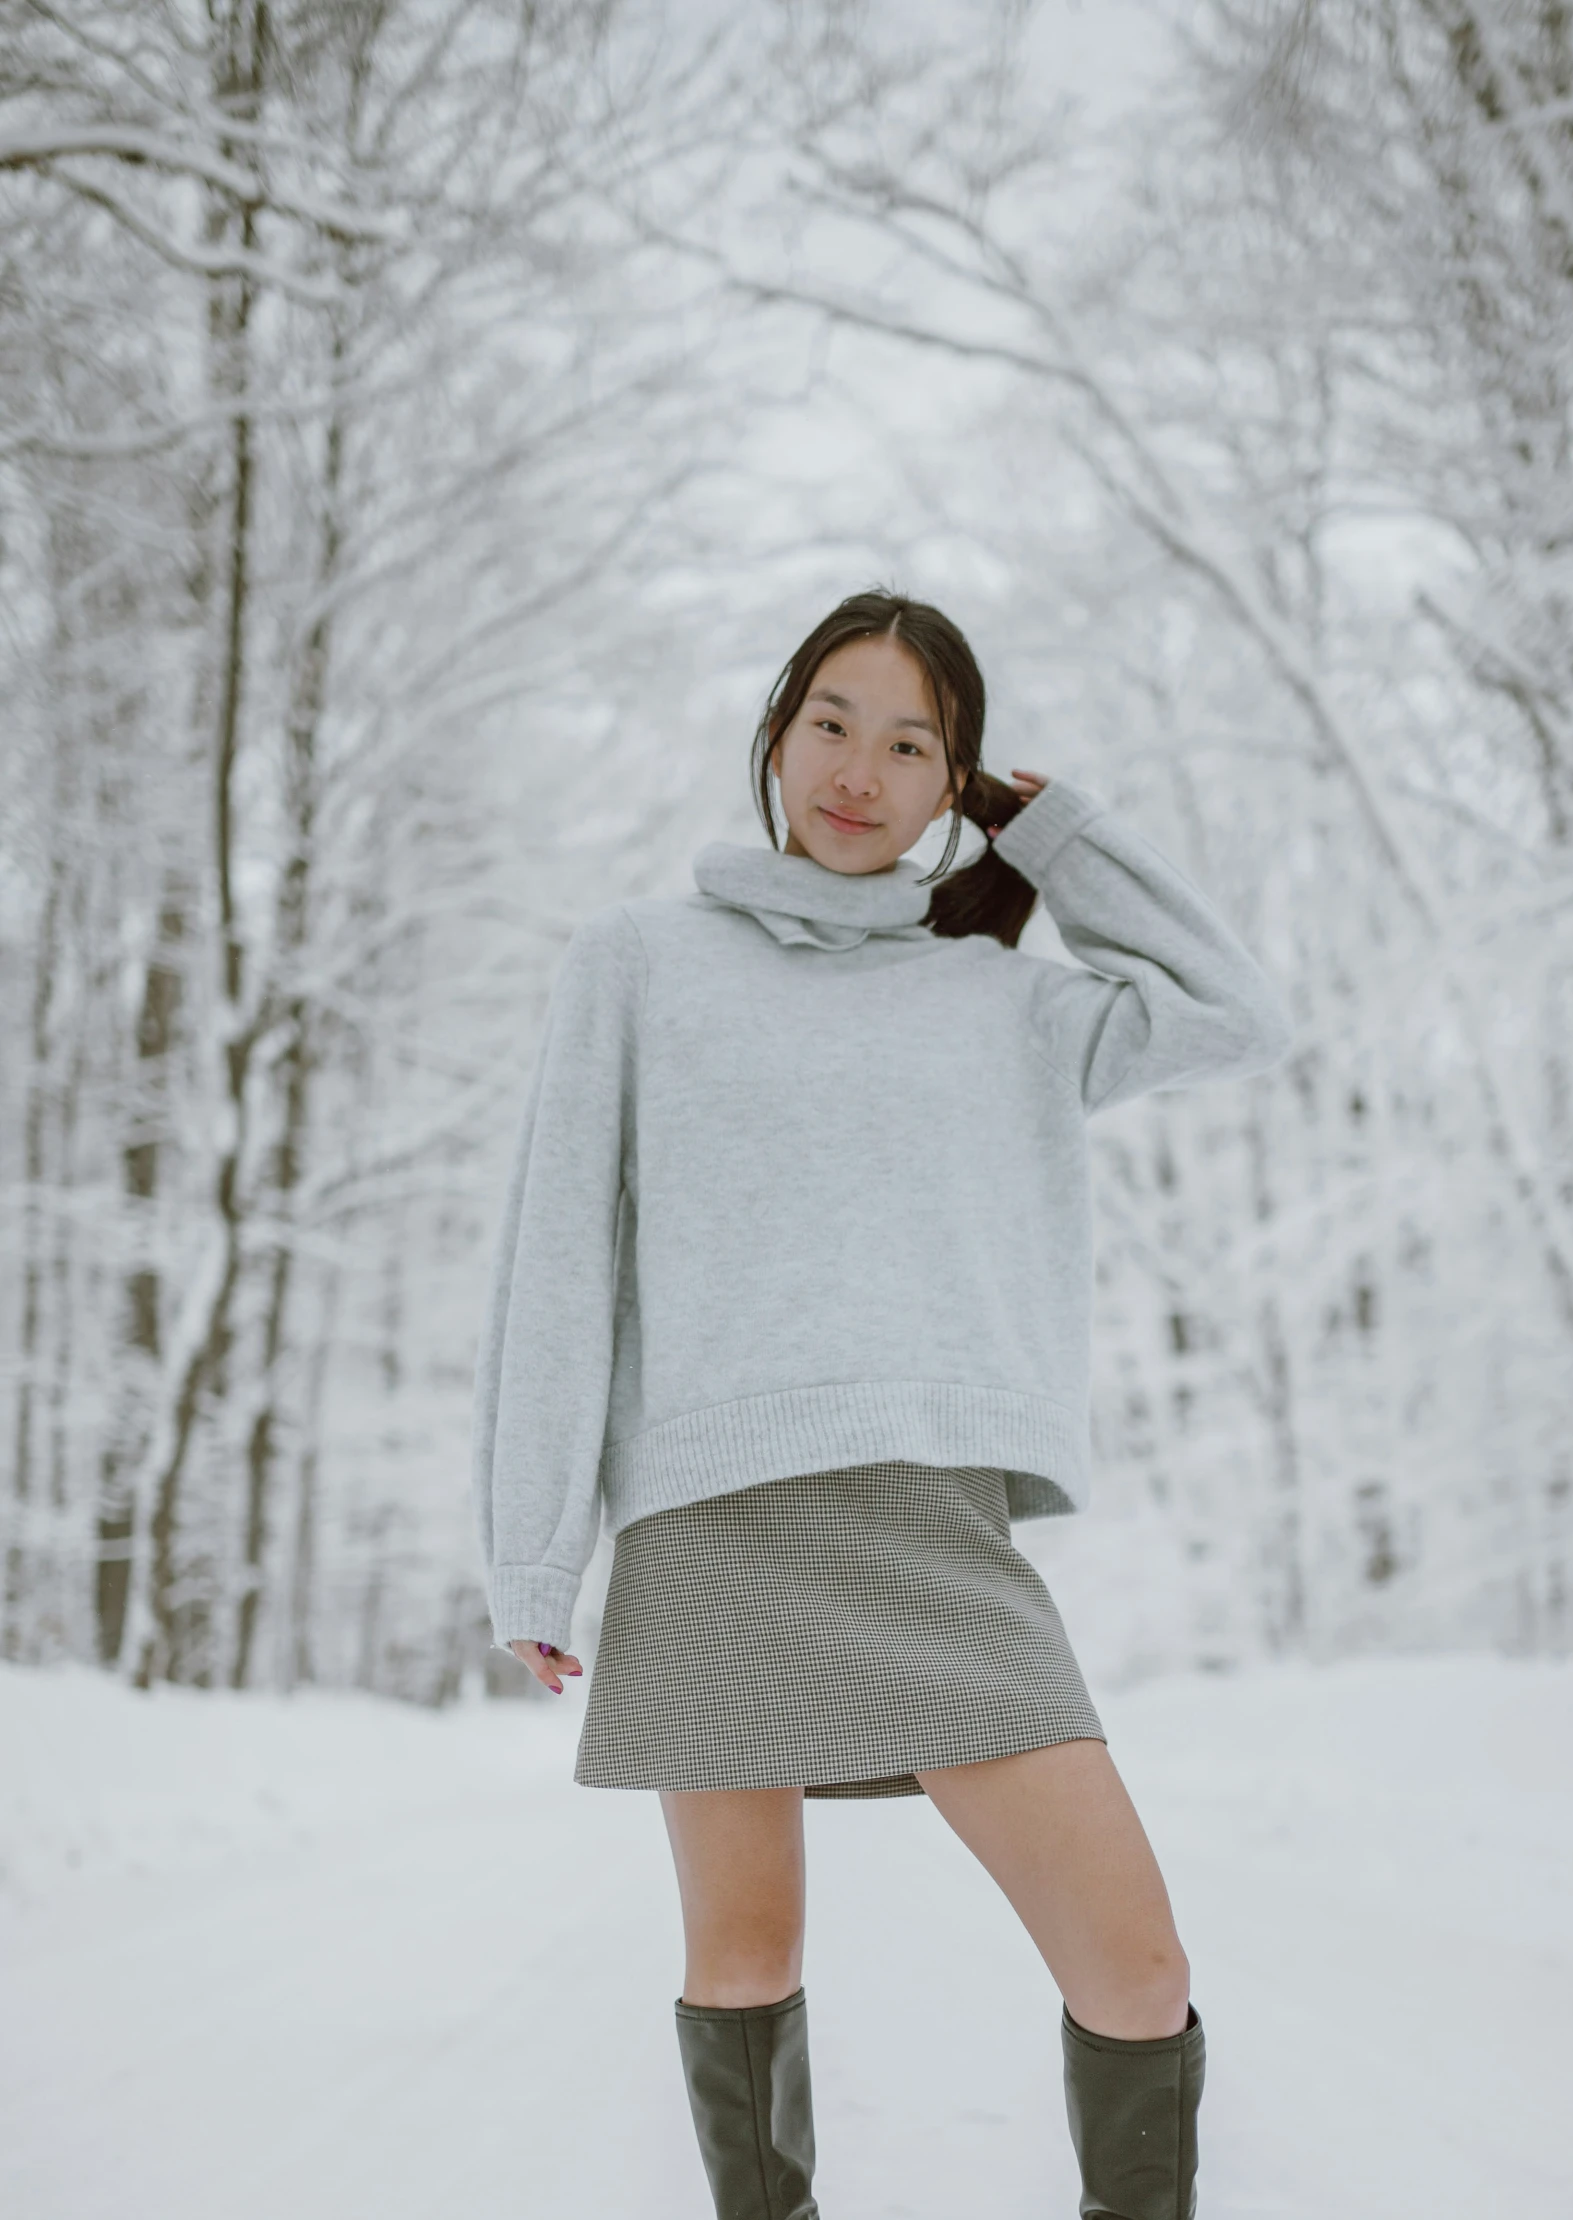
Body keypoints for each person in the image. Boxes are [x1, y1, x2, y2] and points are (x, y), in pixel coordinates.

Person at [470, 589, 1294, 2219]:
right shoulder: (638, 962)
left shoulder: (1006, 1001)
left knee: (1135, 1965)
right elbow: (557, 1258)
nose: (860, 770)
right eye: (831, 722)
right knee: (746, 1952)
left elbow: (1236, 1011)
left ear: (955, 790)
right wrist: (533, 1550)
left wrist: (1049, 832)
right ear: (777, 736)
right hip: (714, 1526)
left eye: (914, 746)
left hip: (931, 1530)